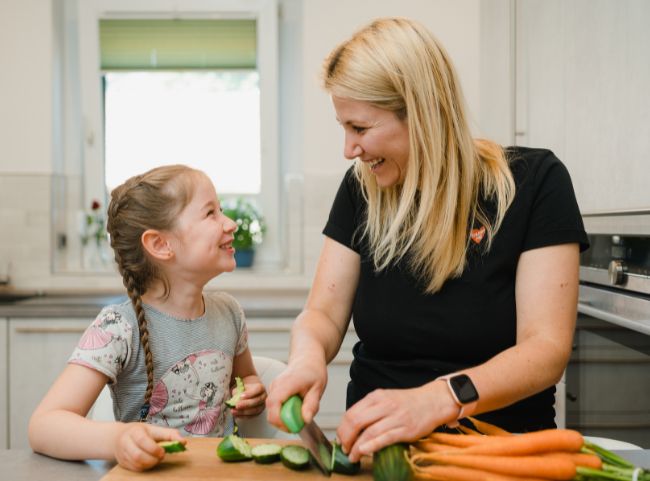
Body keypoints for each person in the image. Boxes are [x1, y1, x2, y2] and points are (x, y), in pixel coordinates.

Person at [266, 17, 589, 463]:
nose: (349, 149)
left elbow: (545, 350)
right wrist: (306, 358)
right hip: (382, 457)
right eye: (344, 127)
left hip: (497, 456)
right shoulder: (361, 189)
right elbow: (322, 313)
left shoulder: (537, 183)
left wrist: (439, 399)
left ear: (421, 112)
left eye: (360, 128)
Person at [29, 165, 267, 471]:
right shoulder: (118, 328)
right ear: (160, 244)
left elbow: (245, 378)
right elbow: (43, 425)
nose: (230, 223)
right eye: (211, 214)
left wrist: (251, 391)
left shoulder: (229, 313)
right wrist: (119, 439)